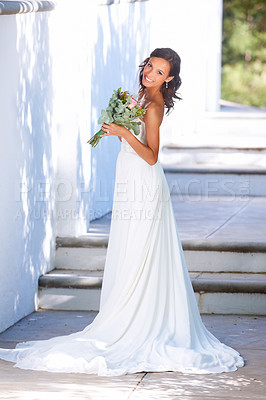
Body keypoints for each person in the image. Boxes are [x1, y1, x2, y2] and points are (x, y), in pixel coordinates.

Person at [0, 48, 244, 376]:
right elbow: (131, 145)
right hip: (129, 177)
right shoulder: (140, 96)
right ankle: (128, 314)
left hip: (144, 183)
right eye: (149, 66)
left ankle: (140, 321)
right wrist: (117, 127)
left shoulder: (154, 106)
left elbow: (152, 156)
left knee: (142, 251)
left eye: (159, 72)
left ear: (169, 78)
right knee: (130, 252)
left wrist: (123, 131)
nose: (150, 74)